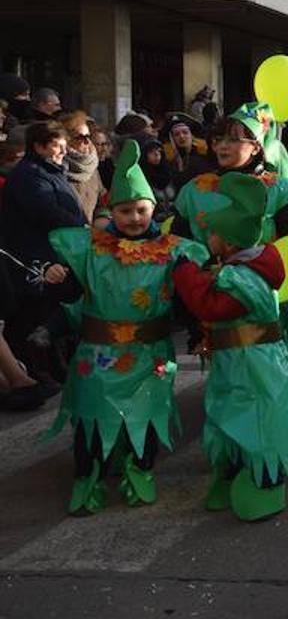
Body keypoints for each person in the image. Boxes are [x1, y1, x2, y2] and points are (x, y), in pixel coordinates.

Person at [41, 141, 208, 514]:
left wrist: (200, 329)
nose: (134, 218)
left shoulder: (173, 251)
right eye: (125, 210)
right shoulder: (91, 251)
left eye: (141, 210)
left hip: (150, 356)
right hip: (98, 356)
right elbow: (74, 292)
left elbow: (185, 298)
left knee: (145, 417)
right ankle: (88, 479)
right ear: (111, 211)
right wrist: (58, 277)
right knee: (91, 419)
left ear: (153, 210)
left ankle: (140, 471)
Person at [171, 174, 288, 521]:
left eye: (213, 234)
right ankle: (229, 474)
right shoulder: (241, 267)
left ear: (230, 243)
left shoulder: (243, 277)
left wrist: (185, 272)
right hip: (238, 361)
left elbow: (211, 306)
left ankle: (265, 484)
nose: (208, 238)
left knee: (257, 419)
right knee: (230, 414)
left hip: (254, 365)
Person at [0, 121, 88, 379]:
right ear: (38, 146)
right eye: (56, 146)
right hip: (35, 254)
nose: (63, 151)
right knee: (37, 313)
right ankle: (38, 370)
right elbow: (45, 211)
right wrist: (82, 225)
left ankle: (55, 366)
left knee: (55, 308)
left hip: (58, 252)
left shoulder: (51, 171)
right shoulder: (29, 174)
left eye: (63, 146)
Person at [172, 103, 288, 245]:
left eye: (233, 140)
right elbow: (177, 243)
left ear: (255, 147)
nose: (223, 145)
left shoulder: (279, 190)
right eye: (218, 139)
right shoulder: (193, 190)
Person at [60, 111, 105, 223]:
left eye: (88, 136)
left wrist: (102, 218)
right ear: (66, 139)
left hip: (89, 232)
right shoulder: (57, 167)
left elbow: (102, 201)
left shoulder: (91, 167)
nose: (87, 141)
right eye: (80, 137)